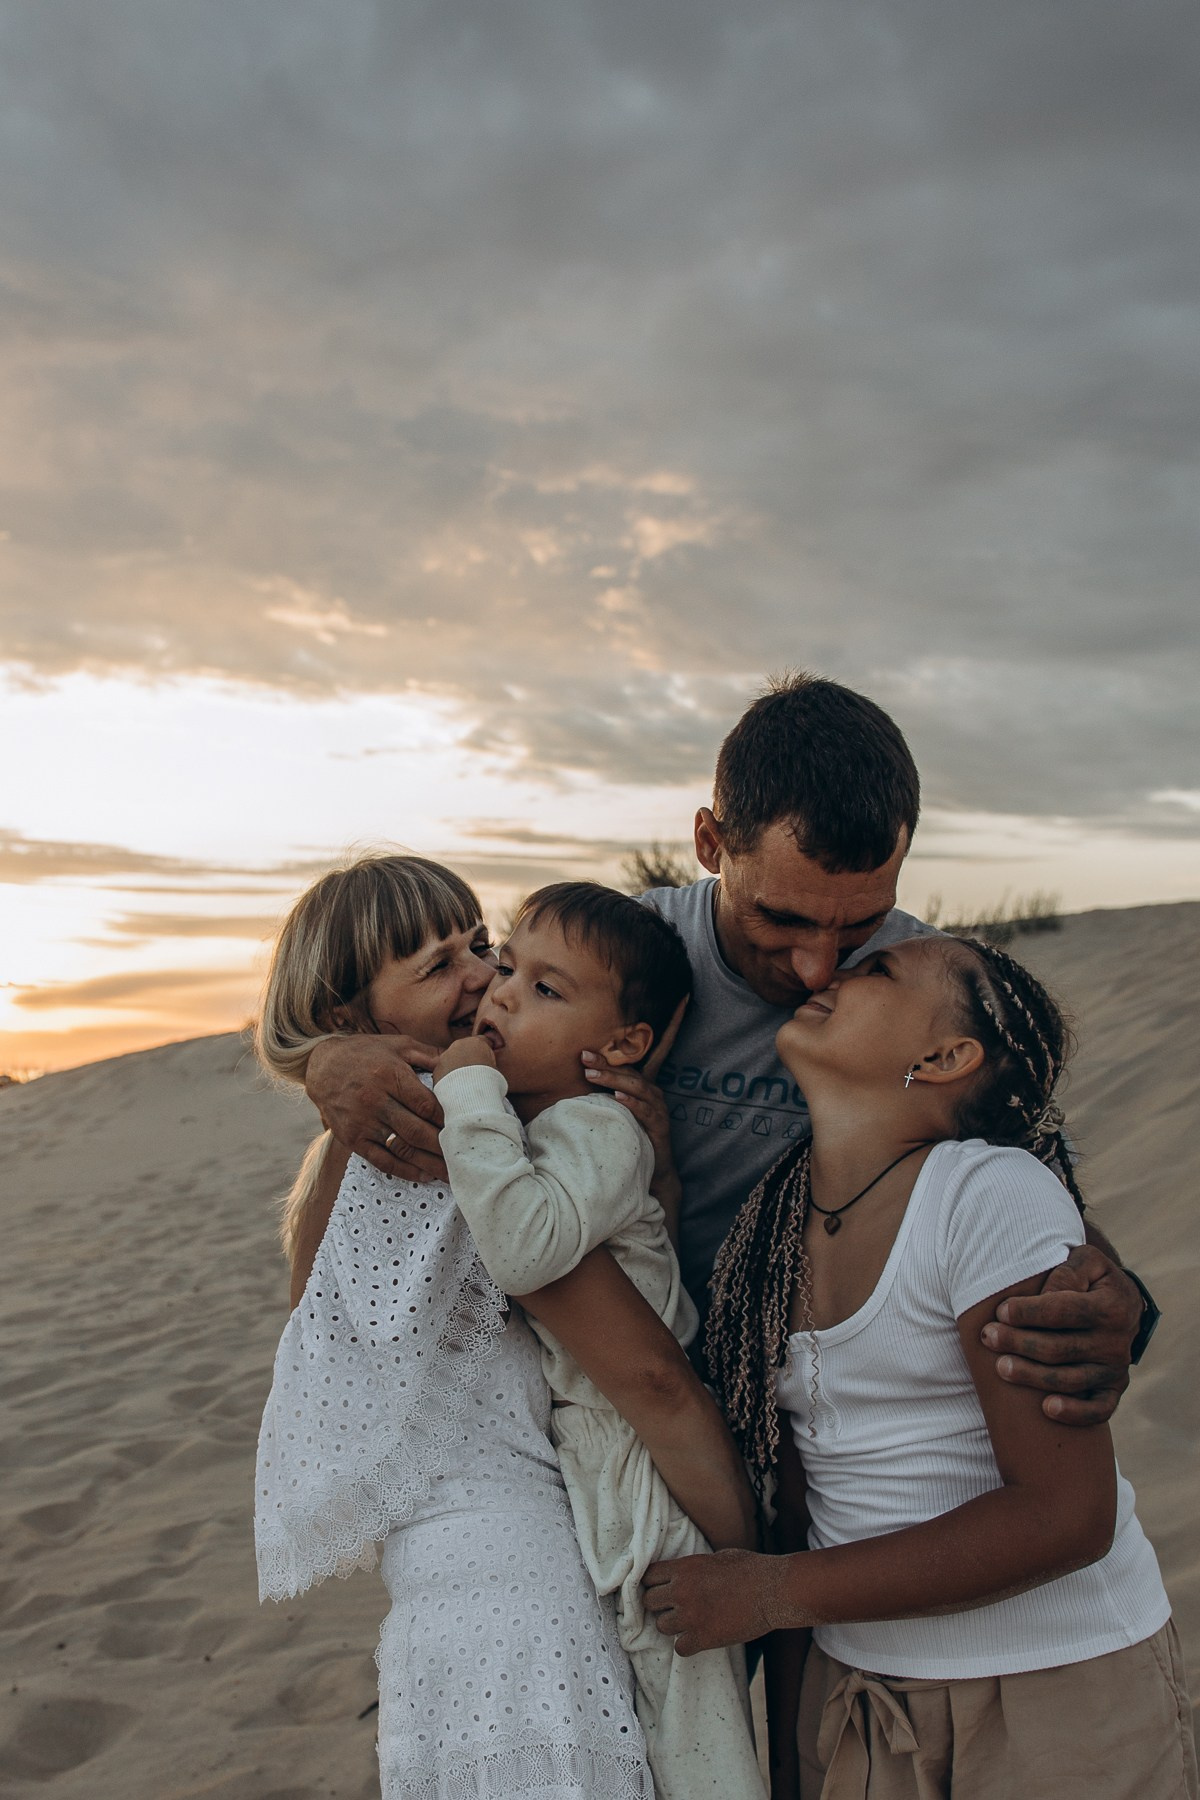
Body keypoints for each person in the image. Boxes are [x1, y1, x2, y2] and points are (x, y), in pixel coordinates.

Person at [302, 675, 1151, 1426]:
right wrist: (330, 1061)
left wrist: (1119, 1300)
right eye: (780, 919)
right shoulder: (620, 963)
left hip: (839, 1418)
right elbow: (464, 1028)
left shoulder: (927, 993)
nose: (820, 966)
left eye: (859, 925)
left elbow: (1041, 1188)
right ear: (711, 843)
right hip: (631, 1397)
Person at [640, 933, 1196, 1800]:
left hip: (1052, 1696)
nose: (829, 974)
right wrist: (792, 1766)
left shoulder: (984, 1195)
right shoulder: (770, 1234)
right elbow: (800, 1517)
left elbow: (1065, 1516)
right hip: (861, 1702)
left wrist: (773, 1595)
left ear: (944, 1056)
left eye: (876, 972)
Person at [253, 853, 757, 1800]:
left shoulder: (343, 1163)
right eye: (439, 966)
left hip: (438, 1609)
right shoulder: (452, 1151)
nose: (483, 979)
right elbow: (649, 1379)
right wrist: (753, 1555)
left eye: (479, 946)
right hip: (527, 1606)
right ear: (352, 1021)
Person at [430, 882, 766, 1800]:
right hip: (603, 1462)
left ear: (621, 1047)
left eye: (546, 990)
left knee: (700, 1748)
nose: (500, 994)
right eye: (508, 969)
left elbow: (525, 1246)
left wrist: (466, 1087)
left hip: (647, 1479)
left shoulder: (595, 1125)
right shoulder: (572, 1128)